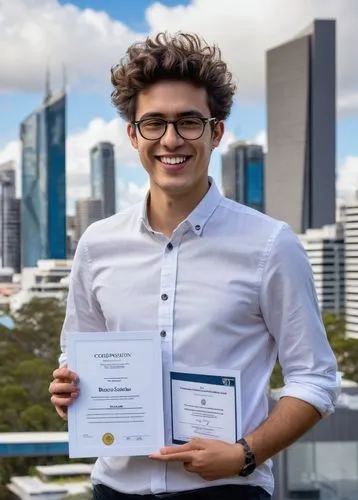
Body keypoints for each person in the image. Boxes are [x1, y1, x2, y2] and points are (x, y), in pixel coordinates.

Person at [49, 32, 339, 500]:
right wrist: (70, 390)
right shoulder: (97, 245)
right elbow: (77, 358)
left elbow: (317, 378)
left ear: (215, 132)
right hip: (115, 488)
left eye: (188, 122)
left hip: (229, 491)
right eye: (153, 124)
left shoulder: (270, 245)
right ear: (133, 136)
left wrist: (246, 452)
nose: (170, 140)